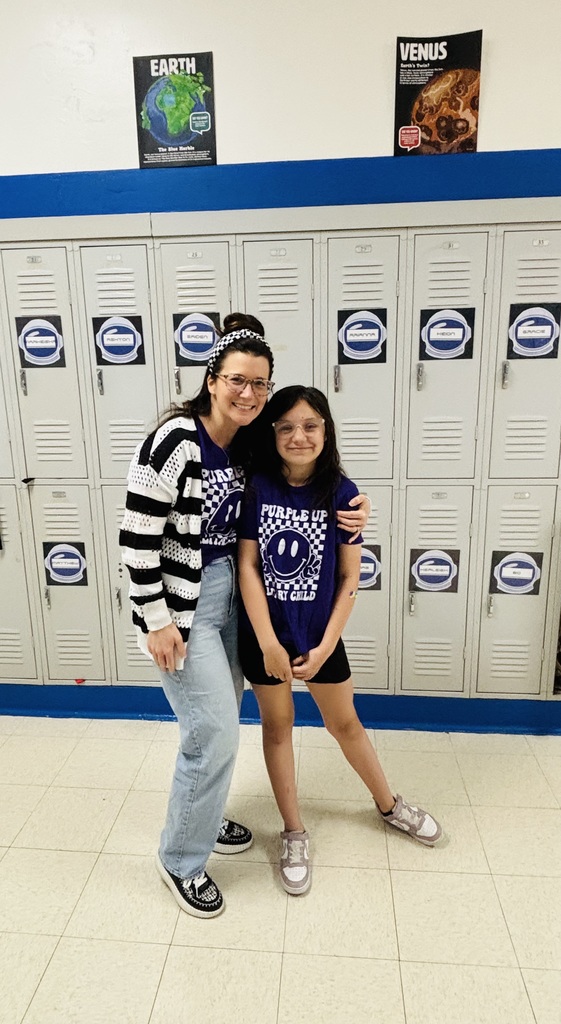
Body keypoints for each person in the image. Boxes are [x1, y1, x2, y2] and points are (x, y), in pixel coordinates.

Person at [119, 317, 370, 918]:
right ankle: (181, 857)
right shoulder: (174, 440)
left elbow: (299, 479)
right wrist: (156, 619)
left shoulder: (248, 442)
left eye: (259, 383)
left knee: (218, 718)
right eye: (237, 380)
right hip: (184, 604)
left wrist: (351, 514)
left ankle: (201, 815)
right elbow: (136, 536)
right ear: (211, 380)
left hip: (232, 594)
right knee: (213, 731)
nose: (249, 394)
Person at [238, 385, 442, 896]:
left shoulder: (344, 494)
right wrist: (266, 641)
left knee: (345, 723)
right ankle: (293, 831)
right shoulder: (256, 487)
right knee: (278, 728)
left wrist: (328, 644)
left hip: (320, 637)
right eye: (285, 426)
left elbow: (350, 578)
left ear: (326, 432)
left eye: (310, 425)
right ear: (272, 434)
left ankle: (390, 805)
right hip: (266, 639)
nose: (298, 436)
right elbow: (248, 567)